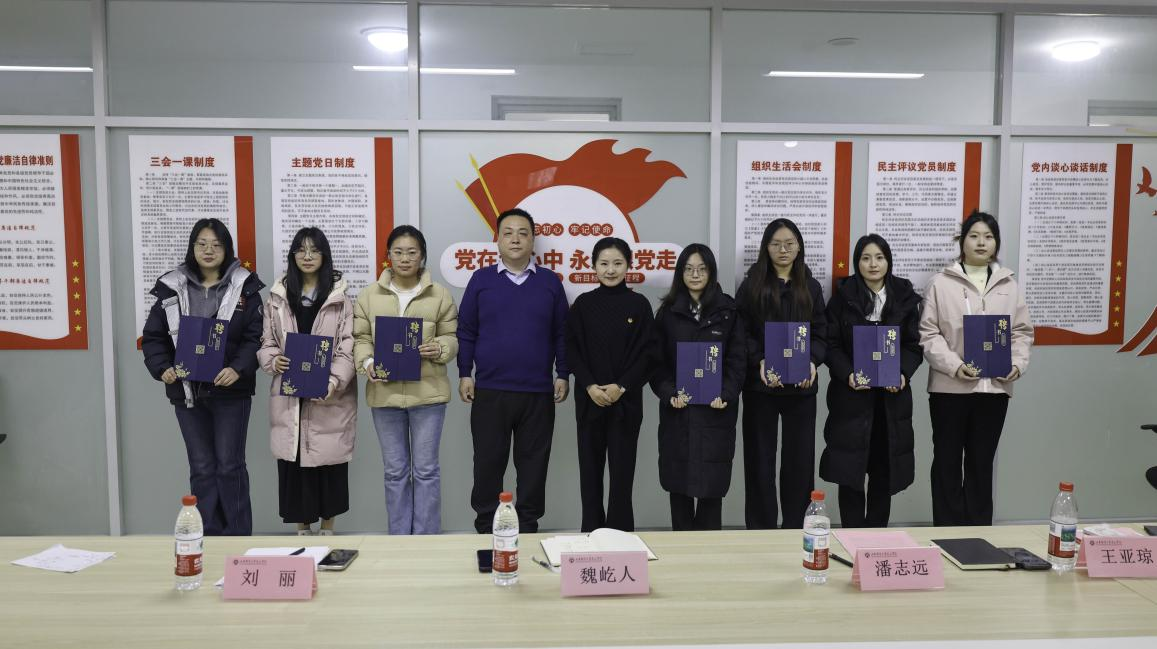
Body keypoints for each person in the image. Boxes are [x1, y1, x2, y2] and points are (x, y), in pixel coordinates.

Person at [141, 218, 264, 536]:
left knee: (230, 466)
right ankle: (207, 535)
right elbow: (153, 338)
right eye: (202, 244)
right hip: (187, 393)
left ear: (227, 249)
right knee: (202, 467)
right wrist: (163, 368)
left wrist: (237, 369)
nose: (209, 250)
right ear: (192, 247)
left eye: (216, 245)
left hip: (231, 392)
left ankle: (237, 536)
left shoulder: (245, 288)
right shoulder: (172, 287)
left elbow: (255, 338)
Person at [458, 208, 569, 533]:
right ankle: (485, 526)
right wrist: (465, 372)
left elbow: (562, 333)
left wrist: (563, 373)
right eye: (508, 233)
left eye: (523, 233)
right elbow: (466, 330)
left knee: (534, 464)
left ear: (533, 240)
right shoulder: (481, 280)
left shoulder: (549, 282)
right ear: (498, 239)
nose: (516, 239)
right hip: (490, 389)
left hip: (537, 391)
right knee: (487, 462)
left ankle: (529, 524)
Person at [920, 210, 1033, 526]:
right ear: (962, 241)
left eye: (988, 236)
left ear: (996, 243)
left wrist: (1016, 365)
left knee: (981, 464)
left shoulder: (1009, 285)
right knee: (946, 463)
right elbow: (928, 333)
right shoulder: (940, 283)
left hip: (994, 390)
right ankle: (947, 532)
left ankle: (980, 533)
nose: (981, 242)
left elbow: (1022, 332)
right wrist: (955, 366)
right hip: (949, 389)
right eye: (974, 236)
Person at [354, 225, 458, 535]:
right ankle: (399, 539)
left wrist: (440, 348)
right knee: (395, 472)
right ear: (388, 255)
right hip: (384, 396)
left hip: (428, 395)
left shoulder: (439, 294)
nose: (404, 258)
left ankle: (426, 538)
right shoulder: (369, 295)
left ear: (422, 255)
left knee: (426, 471)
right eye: (398, 252)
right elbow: (360, 337)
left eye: (412, 252)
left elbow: (452, 337)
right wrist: (367, 362)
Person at [819, 234, 923, 528]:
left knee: (883, 470)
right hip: (851, 399)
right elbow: (831, 345)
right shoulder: (843, 297)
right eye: (866, 258)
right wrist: (848, 374)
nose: (873, 264)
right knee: (850, 471)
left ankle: (877, 537)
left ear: (888, 261)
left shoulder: (903, 296)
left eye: (879, 257)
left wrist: (902, 373)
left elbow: (914, 345)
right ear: (857, 263)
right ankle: (851, 535)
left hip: (890, 402)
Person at [257, 227, 356, 536]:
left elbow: (347, 347)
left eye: (314, 250)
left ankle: (327, 527)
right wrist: (274, 360)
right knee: (295, 459)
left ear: (324, 256)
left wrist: (333, 381)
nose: (308, 256)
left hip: (328, 394)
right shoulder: (277, 297)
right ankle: (302, 528)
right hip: (290, 394)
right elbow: (266, 342)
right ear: (293, 256)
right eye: (301, 250)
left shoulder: (339, 299)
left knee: (328, 459)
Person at [736, 218, 827, 529]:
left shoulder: (810, 287)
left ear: (799, 247)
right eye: (776, 244)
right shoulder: (751, 285)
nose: (783, 250)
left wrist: (812, 361)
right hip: (760, 387)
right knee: (759, 462)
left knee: (799, 463)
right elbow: (741, 332)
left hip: (801, 389)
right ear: (766, 248)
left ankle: (795, 529)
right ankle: (760, 530)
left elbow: (821, 333)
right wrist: (759, 360)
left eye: (789, 244)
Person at [650, 244, 746, 531]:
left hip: (715, 413)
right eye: (689, 269)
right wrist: (669, 393)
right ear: (680, 273)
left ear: (711, 272)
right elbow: (656, 363)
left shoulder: (728, 311)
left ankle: (710, 553)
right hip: (679, 412)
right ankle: (680, 552)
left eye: (702, 269)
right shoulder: (667, 313)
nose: (695, 275)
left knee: (711, 490)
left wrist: (726, 393)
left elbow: (738, 360)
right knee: (678, 489)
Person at [566, 237, 655, 532]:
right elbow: (572, 350)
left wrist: (622, 386)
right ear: (593, 266)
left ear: (628, 265)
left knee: (622, 477)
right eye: (604, 263)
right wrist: (590, 386)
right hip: (589, 401)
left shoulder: (639, 305)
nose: (611, 270)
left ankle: (620, 535)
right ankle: (591, 534)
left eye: (617, 263)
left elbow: (648, 354)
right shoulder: (583, 304)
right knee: (589, 475)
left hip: (625, 404)